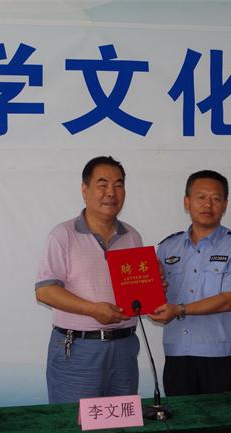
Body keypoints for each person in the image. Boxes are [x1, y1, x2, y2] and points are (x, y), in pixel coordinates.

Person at [35, 156, 142, 404]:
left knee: (121, 421)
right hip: (78, 349)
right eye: (102, 185)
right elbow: (45, 291)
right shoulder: (63, 234)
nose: (111, 193)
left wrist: (154, 289)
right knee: (75, 423)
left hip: (124, 349)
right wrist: (93, 310)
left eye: (118, 185)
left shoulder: (132, 236)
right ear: (85, 189)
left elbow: (136, 291)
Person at [149, 170, 231, 396]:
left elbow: (228, 300)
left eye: (216, 198)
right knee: (182, 419)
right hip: (178, 356)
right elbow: (157, 295)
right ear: (187, 202)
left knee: (225, 420)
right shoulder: (167, 247)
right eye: (201, 197)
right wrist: (153, 295)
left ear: (225, 205)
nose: (208, 204)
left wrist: (179, 309)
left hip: (224, 357)